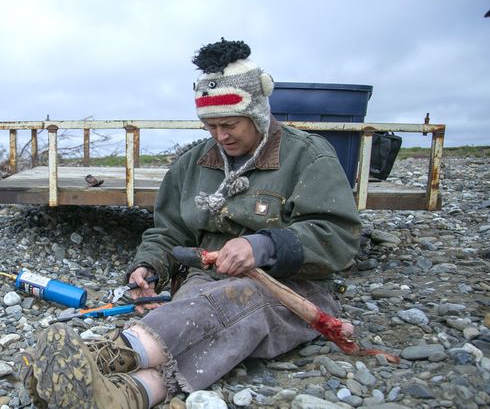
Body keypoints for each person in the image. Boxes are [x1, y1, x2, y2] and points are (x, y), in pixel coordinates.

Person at [20, 39, 362, 408]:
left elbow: (338, 237)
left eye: (229, 124)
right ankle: (120, 397)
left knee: (224, 307)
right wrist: (148, 266)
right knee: (197, 321)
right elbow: (168, 231)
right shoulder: (193, 163)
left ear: (259, 113)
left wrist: (262, 246)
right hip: (206, 278)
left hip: (289, 286)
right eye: (211, 126)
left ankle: (105, 357)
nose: (220, 136)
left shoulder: (308, 157)